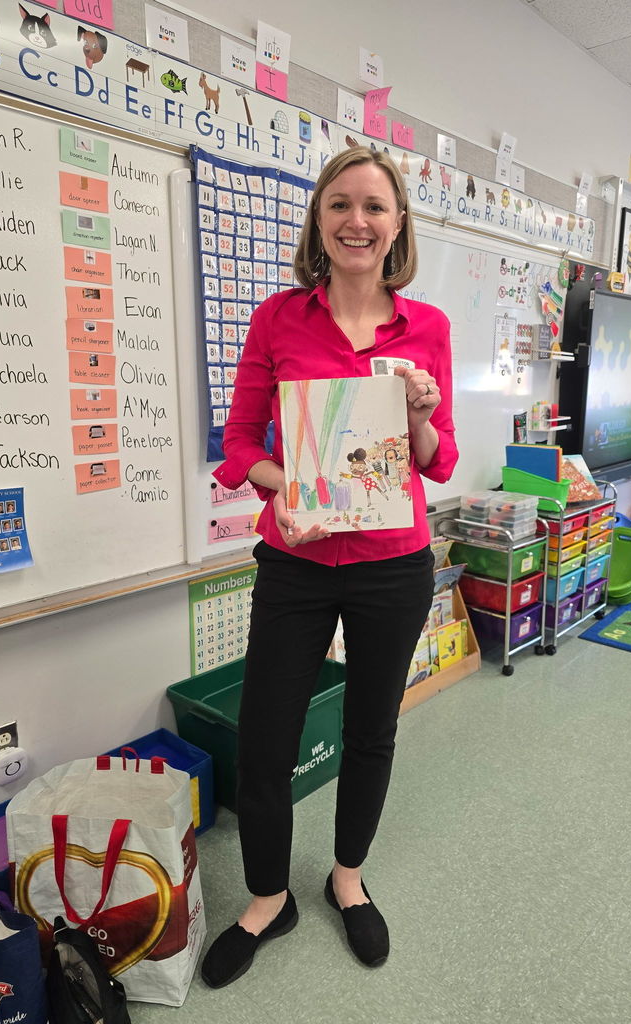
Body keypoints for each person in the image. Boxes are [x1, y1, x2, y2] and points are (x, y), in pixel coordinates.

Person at [203, 146, 458, 988]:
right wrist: (293, 488)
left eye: (375, 206)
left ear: (397, 226)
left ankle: (347, 879)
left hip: (392, 565)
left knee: (371, 733)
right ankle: (268, 898)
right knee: (268, 739)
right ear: (319, 218)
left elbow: (438, 460)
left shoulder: (426, 330)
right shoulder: (280, 318)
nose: (357, 220)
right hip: (297, 563)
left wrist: (419, 415)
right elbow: (239, 445)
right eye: (340, 203)